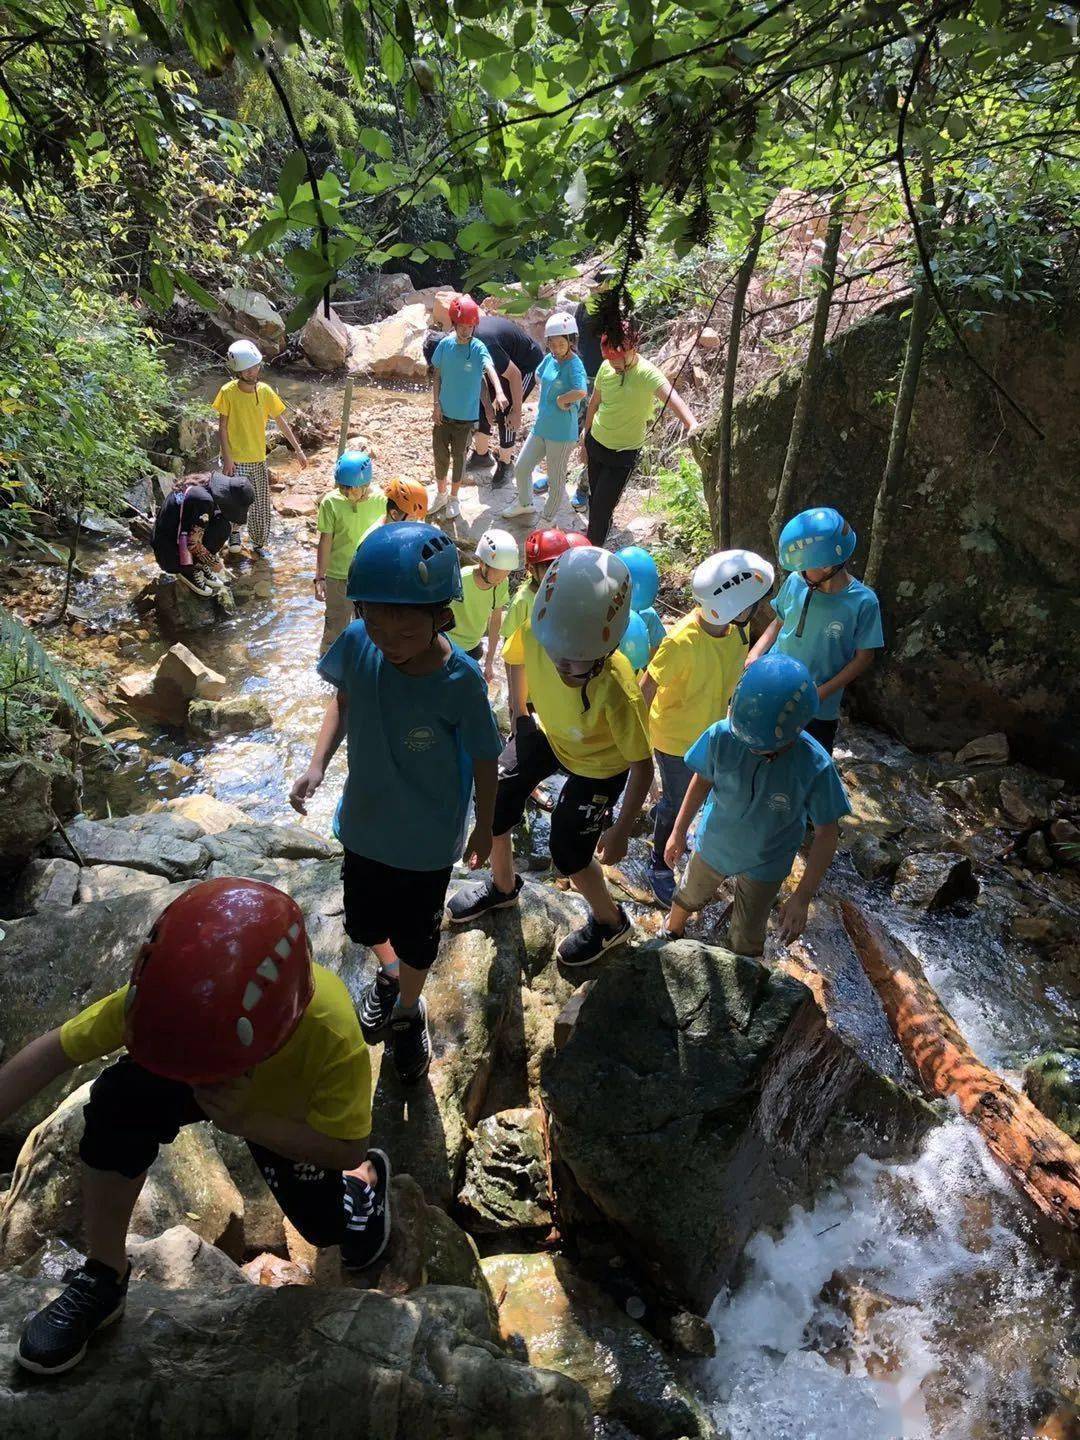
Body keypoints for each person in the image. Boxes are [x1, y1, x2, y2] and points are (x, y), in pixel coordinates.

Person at [3, 877, 389, 1377]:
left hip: (279, 1113)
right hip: (204, 1068)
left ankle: (363, 1190)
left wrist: (251, 1121)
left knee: (325, 1228)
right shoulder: (171, 1001)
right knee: (118, 1104)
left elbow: (346, 1145)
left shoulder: (331, 1032)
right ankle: (103, 1275)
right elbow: (52, 1052)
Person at [290, 523, 502, 1085]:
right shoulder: (360, 642)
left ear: (442, 615)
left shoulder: (461, 681)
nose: (388, 632)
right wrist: (317, 765)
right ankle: (389, 972)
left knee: (419, 937)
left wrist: (484, 824)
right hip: (364, 825)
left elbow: (485, 756)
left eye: (405, 620)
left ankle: (409, 1010)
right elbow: (343, 699)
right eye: (375, 616)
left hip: (427, 843)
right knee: (364, 923)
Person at [448, 546, 654, 967]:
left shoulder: (617, 688)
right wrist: (520, 714)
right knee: (498, 791)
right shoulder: (542, 629)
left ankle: (610, 922)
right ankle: (503, 886)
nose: (561, 664)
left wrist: (621, 829)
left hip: (601, 768)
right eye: (556, 652)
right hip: (552, 733)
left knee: (568, 851)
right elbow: (516, 659)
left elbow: (642, 765)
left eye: (574, 665)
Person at [663, 654, 851, 955]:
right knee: (688, 894)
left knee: (747, 933)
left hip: (769, 858)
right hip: (716, 841)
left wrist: (802, 896)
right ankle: (671, 931)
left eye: (763, 749)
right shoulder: (724, 735)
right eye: (746, 742)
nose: (751, 750)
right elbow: (701, 781)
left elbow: (828, 832)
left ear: (798, 726)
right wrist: (678, 830)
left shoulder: (814, 765)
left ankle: (743, 968)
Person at [640, 550, 775, 905]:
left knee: (692, 793)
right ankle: (658, 865)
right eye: (752, 606)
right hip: (673, 738)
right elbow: (647, 686)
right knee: (677, 799)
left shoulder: (735, 633)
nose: (756, 611)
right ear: (734, 607)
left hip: (710, 731)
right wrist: (635, 741)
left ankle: (664, 819)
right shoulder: (681, 642)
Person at [746, 507, 884, 754]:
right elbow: (779, 622)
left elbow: (864, 657)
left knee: (809, 767)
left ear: (826, 566)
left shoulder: (863, 602)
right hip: (773, 686)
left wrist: (819, 693)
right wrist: (755, 653)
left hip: (819, 707)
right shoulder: (796, 581)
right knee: (763, 754)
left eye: (805, 566)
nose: (800, 571)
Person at [579, 322, 698, 546]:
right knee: (596, 500)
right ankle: (598, 533)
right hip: (597, 442)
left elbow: (673, 399)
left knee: (601, 508)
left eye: (617, 359)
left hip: (623, 454)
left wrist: (691, 424)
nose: (613, 364)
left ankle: (591, 550)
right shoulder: (606, 368)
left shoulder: (646, 373)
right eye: (609, 359)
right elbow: (593, 405)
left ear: (633, 350)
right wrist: (585, 442)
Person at [212, 339, 307, 552]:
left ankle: (258, 541)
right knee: (235, 500)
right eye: (247, 370)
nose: (252, 372)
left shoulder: (264, 391)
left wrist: (298, 450)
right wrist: (227, 458)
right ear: (239, 371)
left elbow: (281, 421)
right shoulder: (228, 392)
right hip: (235, 459)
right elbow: (223, 428)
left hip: (258, 457)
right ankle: (233, 533)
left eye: (255, 367)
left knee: (261, 503)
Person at [502, 313, 589, 522]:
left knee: (556, 481)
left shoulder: (574, 364)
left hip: (561, 433)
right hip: (541, 426)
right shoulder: (550, 359)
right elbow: (538, 375)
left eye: (561, 344)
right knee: (522, 467)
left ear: (571, 341)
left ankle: (547, 520)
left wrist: (562, 399)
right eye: (552, 344)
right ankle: (525, 504)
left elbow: (581, 390)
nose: (557, 349)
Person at [428, 296, 507, 520]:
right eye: (462, 326)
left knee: (459, 458)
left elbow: (489, 368)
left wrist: (498, 391)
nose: (466, 331)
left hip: (465, 418)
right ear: (454, 324)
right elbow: (437, 374)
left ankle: (454, 498)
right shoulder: (445, 345)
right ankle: (441, 494)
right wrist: (435, 404)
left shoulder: (478, 347)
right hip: (443, 414)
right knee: (440, 455)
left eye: (470, 327)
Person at [314, 450, 386, 656]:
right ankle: (327, 668)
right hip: (338, 577)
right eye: (342, 488)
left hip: (369, 577)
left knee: (369, 628)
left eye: (351, 489)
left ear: (365, 485)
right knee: (334, 628)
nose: (346, 494)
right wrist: (319, 577)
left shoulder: (382, 501)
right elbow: (325, 540)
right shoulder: (330, 502)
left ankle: (363, 666)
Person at [468, 311, 545, 489]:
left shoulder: (485, 345)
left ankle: (506, 462)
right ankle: (482, 455)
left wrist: (517, 411)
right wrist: (487, 404)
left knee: (506, 411)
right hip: (504, 364)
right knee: (481, 406)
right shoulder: (460, 341)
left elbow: (515, 374)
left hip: (525, 366)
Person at [151, 470, 255, 597]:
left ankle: (199, 565)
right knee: (222, 528)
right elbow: (192, 544)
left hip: (167, 536)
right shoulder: (203, 500)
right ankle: (187, 571)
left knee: (222, 523)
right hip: (170, 554)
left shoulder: (205, 482)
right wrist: (213, 563)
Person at [447, 528, 519, 684]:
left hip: (473, 643)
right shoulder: (460, 579)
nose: (502, 579)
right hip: (449, 643)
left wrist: (490, 660)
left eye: (506, 573)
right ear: (482, 563)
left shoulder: (501, 583)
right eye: (499, 573)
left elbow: (495, 621)